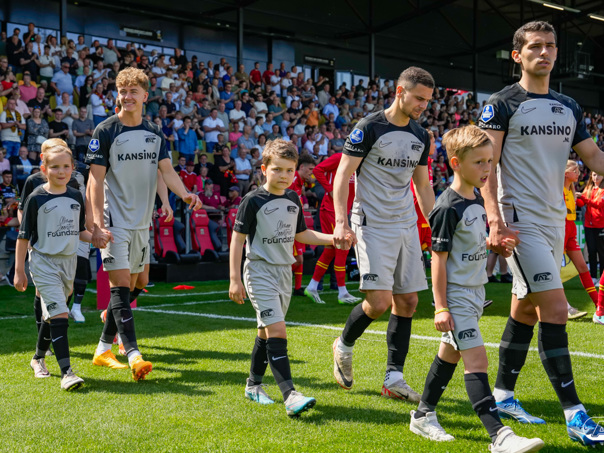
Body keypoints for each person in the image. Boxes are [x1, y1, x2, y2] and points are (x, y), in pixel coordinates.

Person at [479, 21, 604, 445]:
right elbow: (486, 167)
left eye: (550, 45)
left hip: (554, 222)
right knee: (555, 309)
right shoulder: (502, 104)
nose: (544, 52)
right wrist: (494, 220)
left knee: (525, 310)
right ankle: (575, 415)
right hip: (519, 222)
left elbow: (594, 157)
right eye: (534, 46)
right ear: (518, 55)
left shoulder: (568, 106)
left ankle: (502, 395)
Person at [409, 125, 544, 452]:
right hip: (455, 297)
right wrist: (441, 307)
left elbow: (466, 245)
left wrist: (493, 245)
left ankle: (423, 415)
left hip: (475, 294)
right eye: (479, 162)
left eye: (489, 161)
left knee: (449, 354)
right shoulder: (447, 207)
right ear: (456, 163)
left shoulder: (477, 199)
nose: (487, 169)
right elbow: (438, 261)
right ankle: (499, 436)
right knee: (477, 360)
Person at [86, 67, 201, 381]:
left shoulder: (154, 131)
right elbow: (95, 181)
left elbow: (166, 171)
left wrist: (184, 194)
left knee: (139, 283)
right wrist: (97, 223)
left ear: (145, 96)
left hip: (141, 221)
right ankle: (134, 354)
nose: (127, 97)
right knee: (121, 285)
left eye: (133, 91)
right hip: (114, 219)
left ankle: (103, 348)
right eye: (122, 91)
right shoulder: (105, 130)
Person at [330, 67, 435, 403]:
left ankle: (394, 379)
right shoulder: (369, 127)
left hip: (405, 223)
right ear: (399, 91)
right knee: (378, 302)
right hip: (371, 222)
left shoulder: (421, 135)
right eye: (418, 98)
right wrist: (341, 222)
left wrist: (436, 224)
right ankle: (343, 345)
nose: (423, 105)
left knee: (408, 301)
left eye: (427, 100)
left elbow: (422, 185)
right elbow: (343, 174)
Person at [229, 139, 351, 417]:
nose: (284, 176)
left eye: (289, 170)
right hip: (259, 271)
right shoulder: (253, 200)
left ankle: (253, 385)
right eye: (277, 169)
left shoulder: (293, 199)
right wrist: (235, 279)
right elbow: (237, 241)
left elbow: (302, 235)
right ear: (264, 170)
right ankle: (290, 395)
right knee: (278, 330)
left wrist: (333, 238)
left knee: (265, 331)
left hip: (284, 272)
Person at [14, 144, 92, 390]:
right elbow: (23, 238)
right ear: (44, 169)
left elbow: (80, 231)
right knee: (60, 314)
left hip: (68, 262)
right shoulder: (36, 197)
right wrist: (19, 271)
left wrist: (97, 238)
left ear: (73, 168)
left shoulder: (76, 196)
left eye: (66, 166)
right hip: (43, 260)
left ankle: (37, 359)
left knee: (52, 316)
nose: (61, 171)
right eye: (55, 167)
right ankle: (67, 373)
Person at [304, 151, 360, 305]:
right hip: (331, 210)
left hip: (340, 211)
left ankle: (312, 286)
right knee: (342, 247)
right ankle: (342, 293)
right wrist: (329, 189)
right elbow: (317, 170)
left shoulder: (359, 162)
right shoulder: (341, 157)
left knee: (330, 251)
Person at [564, 161, 598, 320]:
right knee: (554, 271)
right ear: (565, 173)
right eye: (575, 170)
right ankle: (565, 307)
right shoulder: (558, 190)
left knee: (583, 267)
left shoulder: (571, 189)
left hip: (570, 229)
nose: (579, 173)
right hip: (561, 228)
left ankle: (599, 305)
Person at [576, 170, 604, 324]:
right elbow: (582, 204)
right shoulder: (588, 188)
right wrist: (577, 198)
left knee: (601, 252)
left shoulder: (602, 190)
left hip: (601, 225)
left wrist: (584, 199)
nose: (595, 177)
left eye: (598, 175)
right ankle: (594, 277)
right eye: (593, 175)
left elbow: (599, 204)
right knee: (591, 251)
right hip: (589, 224)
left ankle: (601, 278)